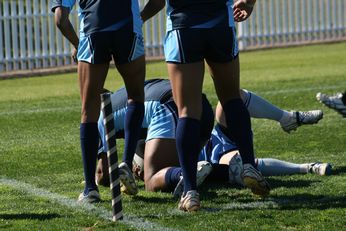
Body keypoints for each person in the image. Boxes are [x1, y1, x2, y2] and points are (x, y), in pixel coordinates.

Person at [96, 78, 327, 195]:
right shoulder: (122, 99)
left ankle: (285, 117)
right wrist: (306, 167)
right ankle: (302, 157)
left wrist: (117, 176)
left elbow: (102, 175)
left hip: (178, 117)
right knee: (231, 100)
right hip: (193, 103)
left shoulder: (105, 122)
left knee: (152, 179)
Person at [141, 0, 268, 211]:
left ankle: (190, 191)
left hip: (184, 27)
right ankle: (249, 165)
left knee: (187, 111)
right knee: (231, 99)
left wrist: (140, 18)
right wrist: (249, 3)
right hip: (219, 24)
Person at [52, 0, 146, 203]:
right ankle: (126, 164)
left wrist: (78, 45)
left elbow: (60, 19)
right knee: (136, 97)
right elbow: (158, 3)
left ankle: (90, 188)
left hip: (93, 31)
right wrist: (140, 19)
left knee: (89, 110)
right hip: (128, 28)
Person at [96, 79, 215, 194]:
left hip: (169, 106)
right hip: (202, 106)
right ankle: (228, 172)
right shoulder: (123, 93)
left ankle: (181, 175)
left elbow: (103, 174)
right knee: (187, 160)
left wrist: (98, 178)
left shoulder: (103, 114)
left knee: (151, 180)